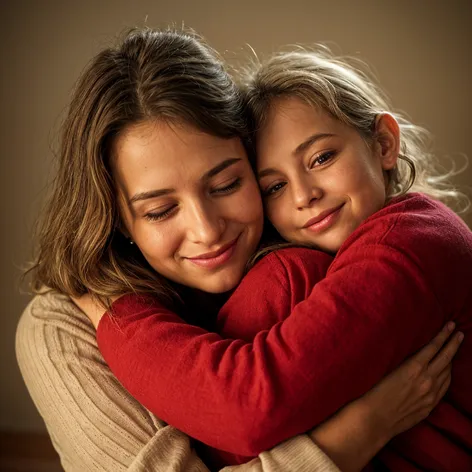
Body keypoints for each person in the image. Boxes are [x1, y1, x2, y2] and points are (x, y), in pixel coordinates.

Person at [16, 28, 463, 472]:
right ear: (114, 217)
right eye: (159, 210)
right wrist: (362, 429)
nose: (207, 230)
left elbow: (245, 406)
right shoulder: (63, 327)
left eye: (227, 184)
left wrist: (117, 315)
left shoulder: (316, 258)